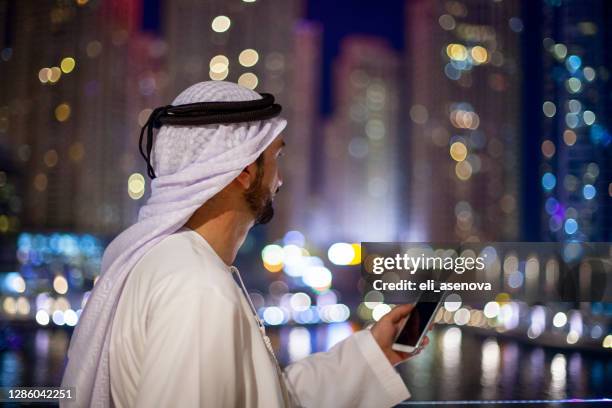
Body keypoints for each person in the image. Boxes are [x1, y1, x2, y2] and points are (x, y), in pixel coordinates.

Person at [61, 81, 429, 407]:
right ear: (245, 171)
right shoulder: (197, 287)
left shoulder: (177, 264)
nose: (280, 180)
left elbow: (271, 397)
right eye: (277, 158)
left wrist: (374, 353)